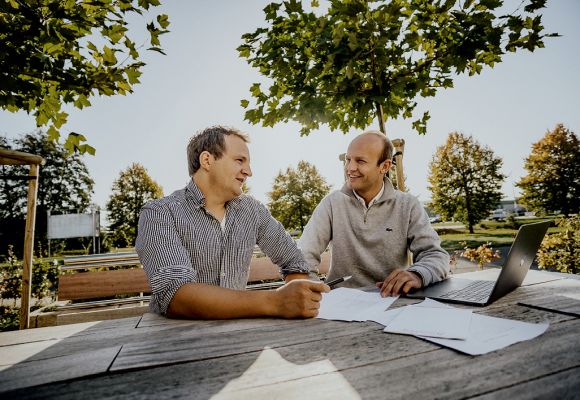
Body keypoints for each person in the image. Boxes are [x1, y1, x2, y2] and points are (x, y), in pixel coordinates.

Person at [136, 126, 329, 319]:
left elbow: (294, 261)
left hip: (239, 333)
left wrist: (296, 297)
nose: (249, 171)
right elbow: (176, 295)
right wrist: (276, 302)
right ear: (207, 160)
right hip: (178, 340)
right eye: (239, 160)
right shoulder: (159, 213)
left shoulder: (252, 210)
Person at [296, 131, 449, 297]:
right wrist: (313, 289)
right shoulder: (332, 203)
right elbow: (303, 256)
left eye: (360, 161)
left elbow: (436, 255)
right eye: (348, 160)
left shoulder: (408, 205)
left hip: (392, 301)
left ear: (384, 166)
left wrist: (418, 274)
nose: (350, 168)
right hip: (340, 304)